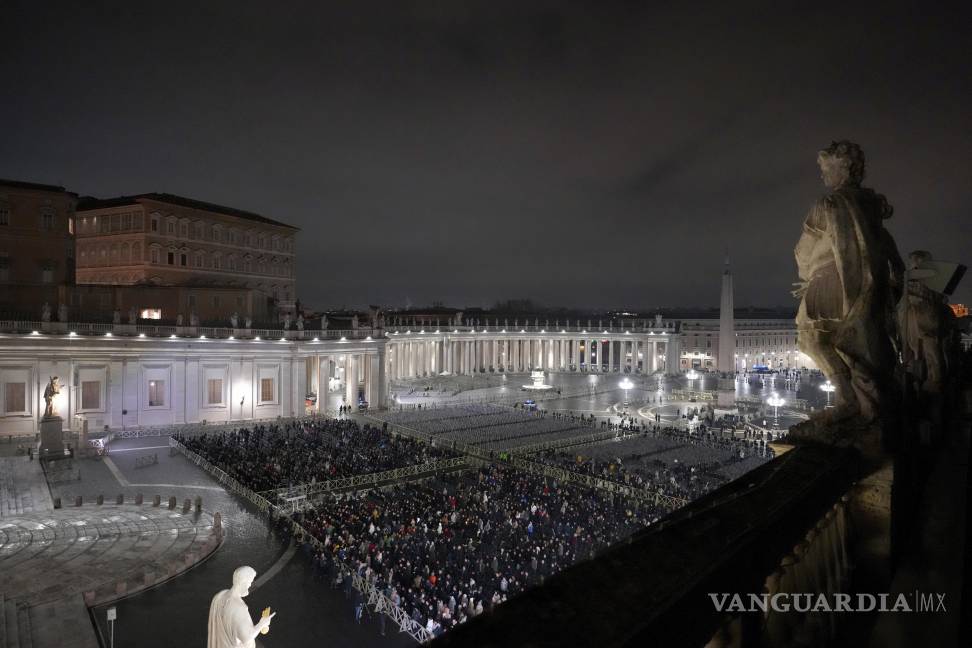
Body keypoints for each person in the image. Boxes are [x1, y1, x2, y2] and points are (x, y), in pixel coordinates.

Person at [207, 566, 275, 648]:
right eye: (249, 582)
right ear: (243, 582)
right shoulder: (239, 608)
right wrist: (262, 623)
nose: (250, 585)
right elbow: (246, 638)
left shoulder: (220, 596)